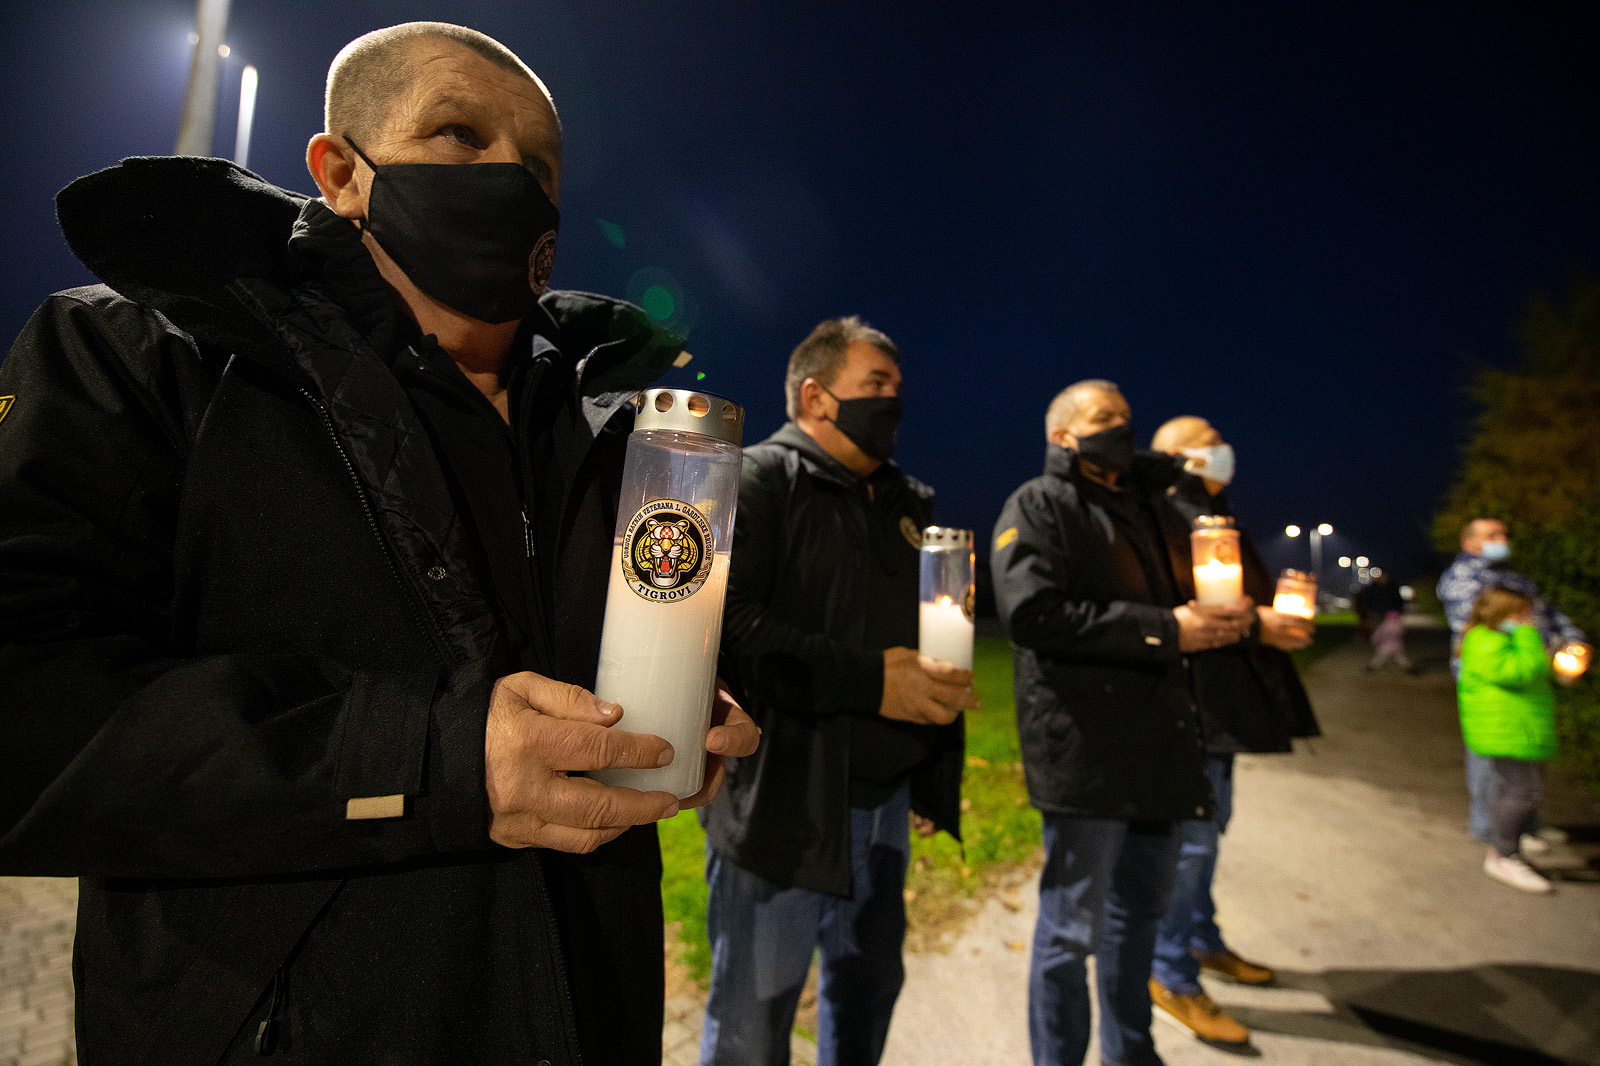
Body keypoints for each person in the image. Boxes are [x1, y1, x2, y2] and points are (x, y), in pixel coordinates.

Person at [0, 22, 759, 1064]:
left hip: (588, 1010)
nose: (508, 176)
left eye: (538, 164)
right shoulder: (141, 357)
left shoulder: (607, 418)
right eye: (458, 134)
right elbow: (29, 713)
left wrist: (670, 711)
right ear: (341, 172)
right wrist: (437, 758)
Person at [699, 317, 973, 1066]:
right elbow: (727, 629)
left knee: (867, 992)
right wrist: (869, 681)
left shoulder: (909, 502)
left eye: (898, 388)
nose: (894, 402)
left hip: (881, 810)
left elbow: (930, 644)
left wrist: (932, 772)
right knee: (754, 1022)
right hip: (780, 802)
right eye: (876, 386)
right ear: (815, 396)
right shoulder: (754, 480)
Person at [991, 381, 1254, 1066]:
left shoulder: (1151, 511)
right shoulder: (1039, 505)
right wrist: (1166, 630)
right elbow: (1032, 615)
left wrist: (1219, 614)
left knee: (1138, 921)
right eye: (1104, 419)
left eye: (1126, 420)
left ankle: (1131, 1053)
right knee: (1071, 929)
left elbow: (1205, 570)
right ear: (1061, 436)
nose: (1121, 429)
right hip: (1090, 757)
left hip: (1160, 753)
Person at [1144, 416, 1319, 1046]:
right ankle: (1167, 971)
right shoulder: (1167, 509)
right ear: (1178, 457)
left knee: (1210, 833)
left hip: (1223, 700)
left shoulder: (1209, 508)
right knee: (1189, 843)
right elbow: (1184, 604)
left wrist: (1280, 619)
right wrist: (1258, 624)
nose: (1222, 449)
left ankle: (1198, 937)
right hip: (1193, 700)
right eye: (1208, 441)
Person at [1437, 518, 1585, 851]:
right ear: (1470, 542)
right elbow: (1487, 629)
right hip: (1496, 680)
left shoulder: (1514, 577)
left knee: (1528, 753)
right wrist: (1537, 644)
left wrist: (1572, 640)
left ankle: (1525, 823)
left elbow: (1545, 613)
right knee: (1494, 759)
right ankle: (1494, 831)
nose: (1502, 539)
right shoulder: (1463, 579)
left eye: (1504, 533)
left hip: (1529, 670)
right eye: (1493, 535)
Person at [1457, 587, 1558, 893]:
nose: (1529, 620)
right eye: (1522, 614)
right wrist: (1529, 636)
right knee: (1522, 791)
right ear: (1501, 614)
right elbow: (1524, 672)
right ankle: (1504, 855)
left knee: (1517, 790)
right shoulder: (1485, 641)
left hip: (1517, 729)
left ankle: (1512, 845)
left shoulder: (1498, 639)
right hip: (1506, 732)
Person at [1359, 571, 1413, 672]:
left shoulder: (1392, 587)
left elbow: (1399, 601)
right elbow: (1366, 599)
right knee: (1384, 639)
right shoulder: (1373, 587)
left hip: (1392, 616)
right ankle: (1379, 661)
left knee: (1390, 640)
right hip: (1378, 615)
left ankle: (1376, 663)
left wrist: (1398, 612)